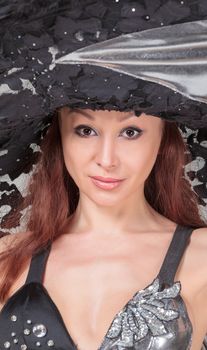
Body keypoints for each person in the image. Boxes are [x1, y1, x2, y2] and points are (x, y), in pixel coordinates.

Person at [0, 1, 207, 350]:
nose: (106, 159)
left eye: (130, 132)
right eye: (85, 130)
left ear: (163, 139)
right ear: (60, 136)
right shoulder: (8, 258)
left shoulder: (202, 255)